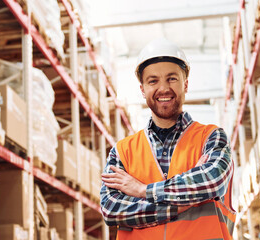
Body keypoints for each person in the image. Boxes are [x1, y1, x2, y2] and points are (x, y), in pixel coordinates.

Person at [100, 38, 236, 240]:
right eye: (153, 81)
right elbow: (112, 209)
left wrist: (141, 190)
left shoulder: (211, 137)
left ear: (186, 85)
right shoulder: (122, 151)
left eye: (172, 78)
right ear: (142, 89)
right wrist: (182, 204)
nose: (163, 88)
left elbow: (211, 182)